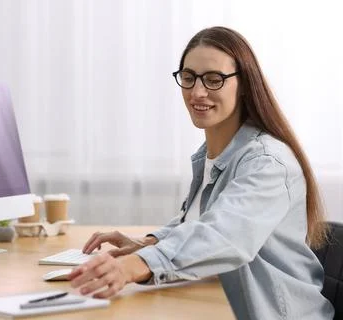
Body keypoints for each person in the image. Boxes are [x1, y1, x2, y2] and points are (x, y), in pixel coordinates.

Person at [67, 26, 335, 319]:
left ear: (244, 84)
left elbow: (225, 234)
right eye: (188, 77)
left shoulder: (267, 162)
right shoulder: (212, 154)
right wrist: (147, 243)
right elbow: (203, 221)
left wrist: (133, 266)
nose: (197, 91)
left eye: (213, 79)